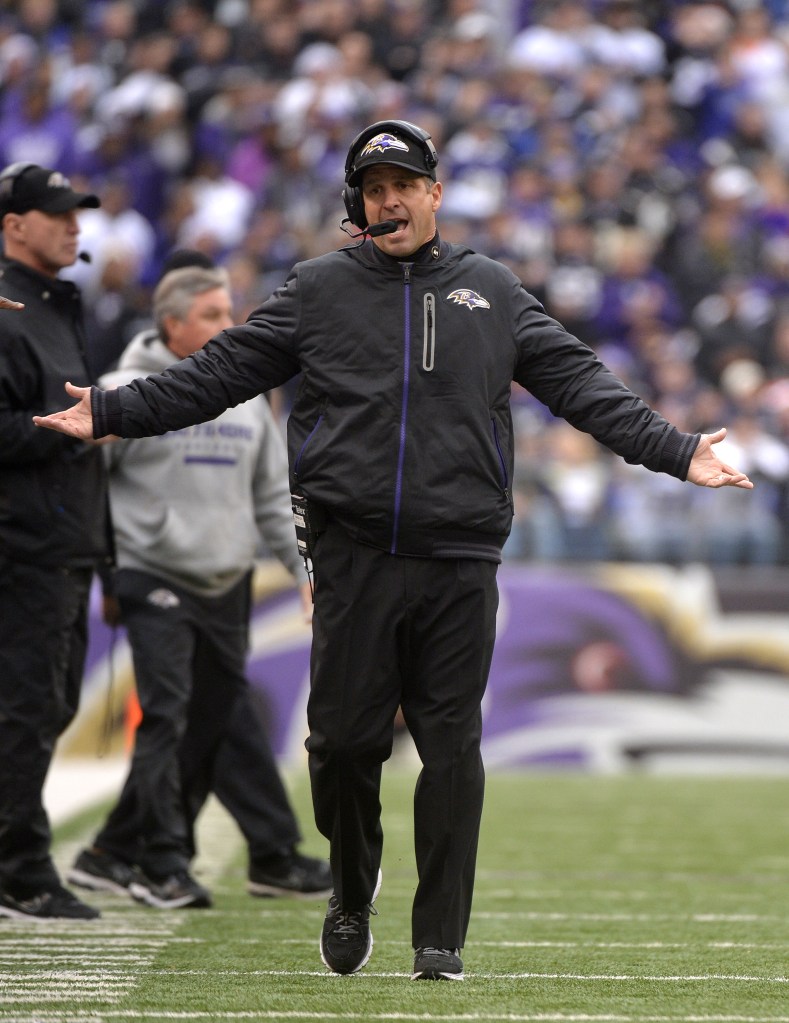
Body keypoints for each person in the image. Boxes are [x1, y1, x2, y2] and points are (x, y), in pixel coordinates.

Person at [33, 120, 754, 975]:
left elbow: (583, 385)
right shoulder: (317, 289)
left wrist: (677, 450)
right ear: (358, 204)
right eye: (374, 189)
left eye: (404, 185)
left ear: (435, 193)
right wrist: (114, 410)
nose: (390, 200)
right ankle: (350, 885)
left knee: (450, 747)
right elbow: (219, 372)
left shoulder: (492, 289)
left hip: (460, 557)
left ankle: (439, 935)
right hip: (354, 554)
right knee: (340, 745)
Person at [66, 263, 331, 909]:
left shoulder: (249, 394)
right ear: (171, 323)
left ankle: (113, 852)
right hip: (153, 573)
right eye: (211, 315)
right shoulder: (122, 390)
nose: (227, 324)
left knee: (209, 725)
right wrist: (104, 574)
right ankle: (161, 863)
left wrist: (306, 572)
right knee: (167, 715)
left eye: (229, 312)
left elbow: (272, 497)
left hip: (226, 580)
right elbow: (86, 488)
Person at [0, 161, 108, 922]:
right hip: (23, 542)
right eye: (58, 213)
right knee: (26, 710)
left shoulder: (55, 303)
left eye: (78, 213)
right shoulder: (6, 308)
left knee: (47, 706)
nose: (74, 225)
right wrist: (65, 430)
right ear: (13, 225)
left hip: (64, 539)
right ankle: (21, 869)